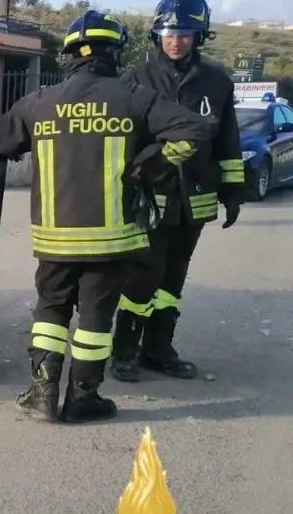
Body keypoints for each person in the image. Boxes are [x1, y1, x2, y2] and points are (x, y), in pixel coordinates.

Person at [0, 10, 211, 423]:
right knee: (94, 320)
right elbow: (196, 130)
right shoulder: (135, 97)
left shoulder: (39, 102)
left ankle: (41, 394)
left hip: (54, 238)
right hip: (112, 239)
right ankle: (83, 398)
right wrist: (156, 164)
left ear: (69, 54)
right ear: (115, 53)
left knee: (50, 311)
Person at [110, 0, 247, 383]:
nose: (176, 41)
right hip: (151, 193)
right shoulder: (136, 77)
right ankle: (123, 351)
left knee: (172, 279)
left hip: (196, 197)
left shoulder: (217, 81)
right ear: (157, 34)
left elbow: (228, 140)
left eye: (185, 33)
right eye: (169, 33)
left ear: (199, 35)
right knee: (143, 274)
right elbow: (122, 139)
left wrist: (234, 189)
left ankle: (157, 349)